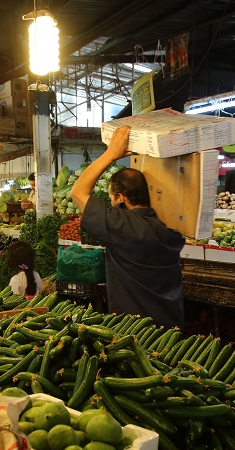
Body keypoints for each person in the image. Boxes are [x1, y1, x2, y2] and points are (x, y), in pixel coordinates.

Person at [71, 126, 185, 329]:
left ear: (121, 199)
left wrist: (111, 154)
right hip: (171, 329)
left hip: (134, 332)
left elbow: (78, 192)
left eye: (111, 198)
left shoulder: (122, 226)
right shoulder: (170, 231)